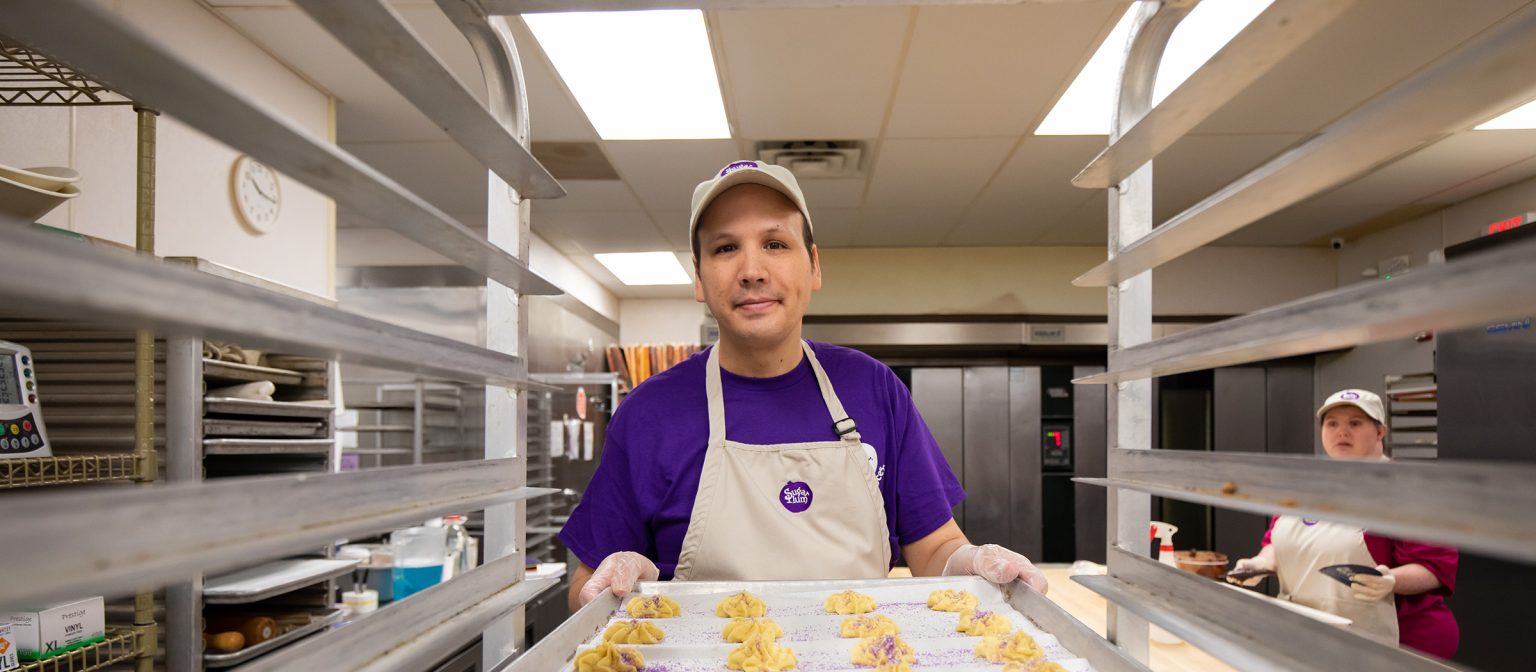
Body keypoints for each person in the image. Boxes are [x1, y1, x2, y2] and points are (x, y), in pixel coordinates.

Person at [559, 160, 1047, 611]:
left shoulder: (873, 388)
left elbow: (935, 548)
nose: (752, 271)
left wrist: (974, 562)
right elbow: (585, 586)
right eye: (726, 248)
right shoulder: (650, 412)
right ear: (700, 279)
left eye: (775, 244)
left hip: (860, 655)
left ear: (813, 265)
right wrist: (620, 583)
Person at [1228, 389, 1458, 658]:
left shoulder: (1408, 489)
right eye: (1332, 424)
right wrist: (1261, 562)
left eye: (1355, 423)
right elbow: (1278, 542)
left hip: (1394, 643)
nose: (1342, 432)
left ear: (1380, 431)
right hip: (1313, 634)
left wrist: (1391, 580)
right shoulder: (1304, 486)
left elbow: (1433, 566)